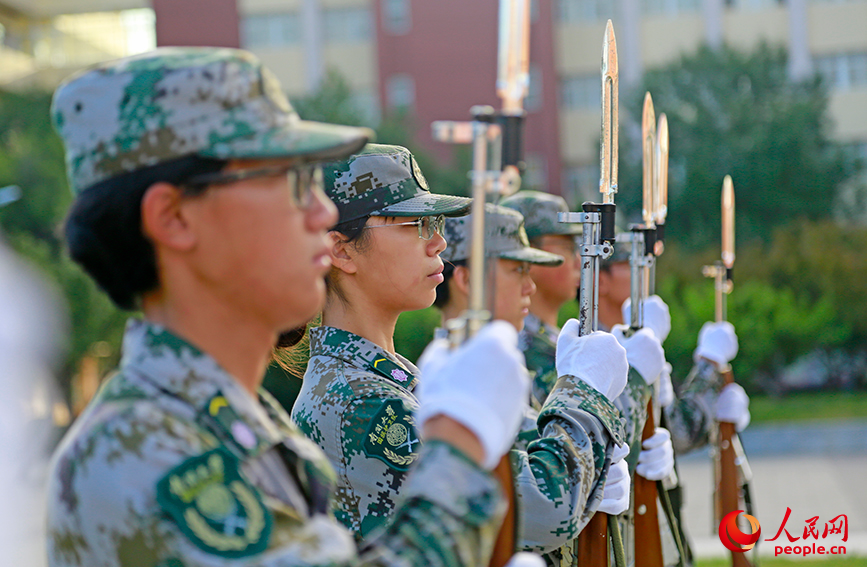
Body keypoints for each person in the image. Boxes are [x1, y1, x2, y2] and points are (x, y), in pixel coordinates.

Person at [45, 47, 535, 567]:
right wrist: (459, 441)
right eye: (288, 181)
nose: (323, 211)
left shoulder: (236, 423)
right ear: (174, 217)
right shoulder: (138, 453)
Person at [291, 147, 632, 558]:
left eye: (435, 222)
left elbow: (515, 460)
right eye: (416, 224)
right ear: (341, 250)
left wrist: (585, 457)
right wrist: (583, 396)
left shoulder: (391, 376)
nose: (438, 242)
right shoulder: (359, 401)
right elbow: (546, 509)